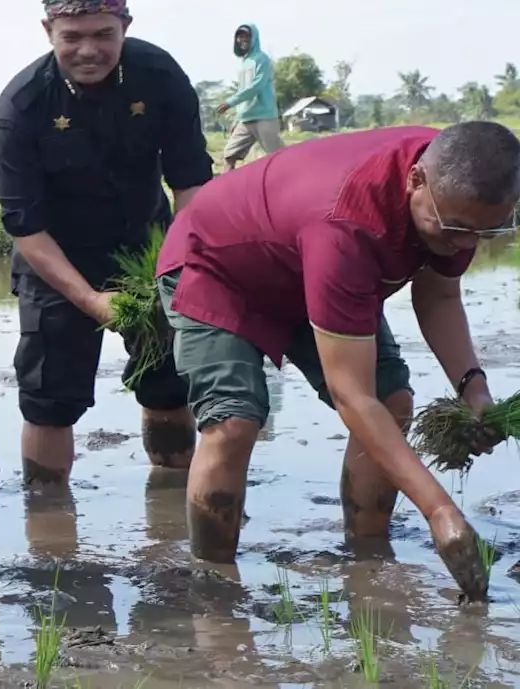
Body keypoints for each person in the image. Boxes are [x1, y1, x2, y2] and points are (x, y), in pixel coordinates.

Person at [155, 121, 519, 600]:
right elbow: (351, 396)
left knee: (393, 401)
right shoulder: (347, 225)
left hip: (306, 260)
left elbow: (439, 296)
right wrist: (440, 511)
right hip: (218, 264)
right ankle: (213, 584)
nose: (467, 244)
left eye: (488, 231)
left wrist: (475, 390)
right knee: (233, 421)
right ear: (415, 180)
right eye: (454, 228)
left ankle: (368, 560)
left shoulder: (463, 175)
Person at [0, 0, 212, 489]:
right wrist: (91, 301)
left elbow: (191, 186)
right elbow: (25, 226)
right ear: (48, 31)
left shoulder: (158, 77)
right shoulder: (21, 106)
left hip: (149, 249)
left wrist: (177, 267)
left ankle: (170, 499)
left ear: (125, 25)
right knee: (49, 401)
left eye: (103, 35)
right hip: (55, 260)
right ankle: (48, 520)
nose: (88, 50)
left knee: (167, 384)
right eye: (72, 37)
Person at [217, 23, 284, 171]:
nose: (243, 39)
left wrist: (230, 102)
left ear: (254, 38)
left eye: (246, 36)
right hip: (246, 119)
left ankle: (293, 183)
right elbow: (242, 90)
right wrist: (237, 119)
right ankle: (224, 190)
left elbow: (255, 86)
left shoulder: (262, 59)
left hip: (264, 116)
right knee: (230, 154)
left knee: (278, 157)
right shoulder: (243, 63)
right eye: (240, 36)